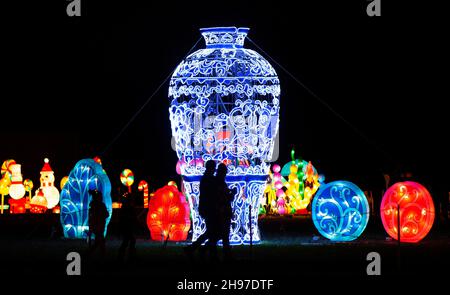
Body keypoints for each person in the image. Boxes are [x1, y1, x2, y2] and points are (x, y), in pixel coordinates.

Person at [184, 160, 219, 260]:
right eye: (213, 167)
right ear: (211, 168)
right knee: (212, 232)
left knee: (211, 232)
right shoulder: (208, 179)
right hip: (210, 209)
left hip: (207, 208)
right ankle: (203, 250)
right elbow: (209, 195)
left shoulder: (206, 178)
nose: (214, 170)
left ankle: (194, 248)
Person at [216, 163, 234, 261]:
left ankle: (226, 253)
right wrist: (232, 194)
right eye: (225, 172)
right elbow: (226, 198)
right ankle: (226, 254)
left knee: (221, 234)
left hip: (222, 211)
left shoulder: (219, 182)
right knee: (222, 234)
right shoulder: (220, 183)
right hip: (222, 212)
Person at [88, 190, 109, 259]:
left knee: (98, 241)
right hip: (99, 226)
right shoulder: (100, 205)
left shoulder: (92, 205)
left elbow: (91, 217)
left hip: (95, 226)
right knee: (100, 241)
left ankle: (90, 254)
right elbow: (106, 214)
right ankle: (102, 256)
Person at [118, 192, 137, 264]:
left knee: (129, 241)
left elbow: (133, 217)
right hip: (127, 226)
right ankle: (127, 255)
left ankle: (128, 255)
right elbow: (124, 217)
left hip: (127, 226)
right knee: (129, 241)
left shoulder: (127, 207)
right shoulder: (127, 207)